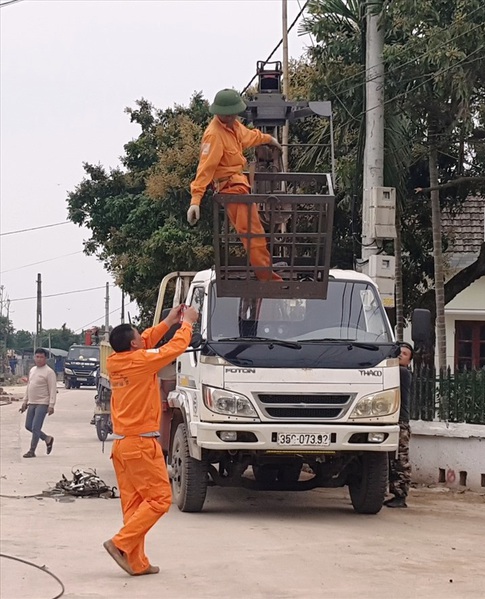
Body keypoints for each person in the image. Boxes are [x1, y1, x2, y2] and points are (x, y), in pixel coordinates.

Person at [102, 304, 199, 577]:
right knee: (159, 499)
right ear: (133, 344)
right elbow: (174, 349)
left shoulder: (116, 361)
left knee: (134, 507)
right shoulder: (141, 361)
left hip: (122, 446)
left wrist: (168, 320)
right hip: (141, 445)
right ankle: (120, 544)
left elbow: (146, 340)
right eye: (138, 338)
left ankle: (137, 562)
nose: (142, 339)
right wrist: (187, 323)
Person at [187, 88, 283, 282]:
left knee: (256, 233)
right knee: (253, 235)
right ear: (221, 113)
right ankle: (267, 278)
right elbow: (205, 169)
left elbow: (249, 137)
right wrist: (195, 200)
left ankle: (266, 270)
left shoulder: (234, 126)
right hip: (232, 190)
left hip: (241, 186)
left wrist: (269, 139)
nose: (233, 117)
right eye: (230, 114)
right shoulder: (214, 135)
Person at [384, 342, 413, 508]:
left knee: (399, 460)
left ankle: (400, 494)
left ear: (409, 361)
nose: (400, 355)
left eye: (404, 354)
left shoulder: (402, 372)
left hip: (400, 422)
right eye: (399, 352)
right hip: (393, 420)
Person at [19, 348, 56, 458]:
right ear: (34, 357)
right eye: (37, 357)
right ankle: (47, 438)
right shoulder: (32, 370)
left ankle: (32, 450)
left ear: (45, 358)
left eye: (41, 357)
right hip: (32, 402)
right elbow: (29, 386)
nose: (39, 359)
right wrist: (25, 401)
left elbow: (53, 389)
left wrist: (51, 405)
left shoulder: (49, 372)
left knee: (36, 427)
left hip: (43, 403)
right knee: (28, 425)